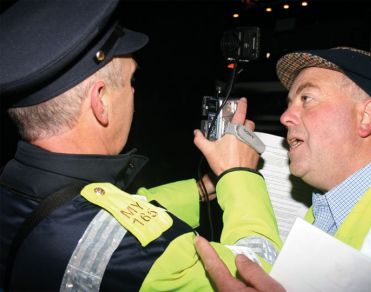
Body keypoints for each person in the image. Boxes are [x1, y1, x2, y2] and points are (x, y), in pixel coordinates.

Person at [0, 0, 282, 291]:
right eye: (129, 81)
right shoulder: (158, 261)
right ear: (101, 102)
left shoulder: (15, 186)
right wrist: (239, 174)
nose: (134, 92)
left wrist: (199, 190)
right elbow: (262, 269)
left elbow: (104, 211)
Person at [194, 47, 371, 292]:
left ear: (366, 117)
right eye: (289, 103)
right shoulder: (320, 211)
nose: (285, 117)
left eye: (306, 98)